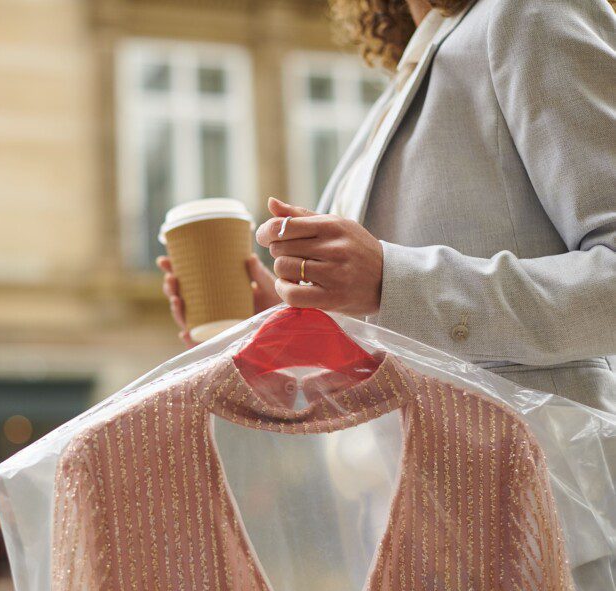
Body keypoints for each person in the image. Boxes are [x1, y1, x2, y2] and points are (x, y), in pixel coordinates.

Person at [159, 0, 616, 413]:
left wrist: (390, 280)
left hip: (543, 480)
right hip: (410, 489)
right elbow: (388, 342)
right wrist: (286, 322)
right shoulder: (407, 78)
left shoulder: (534, 11)